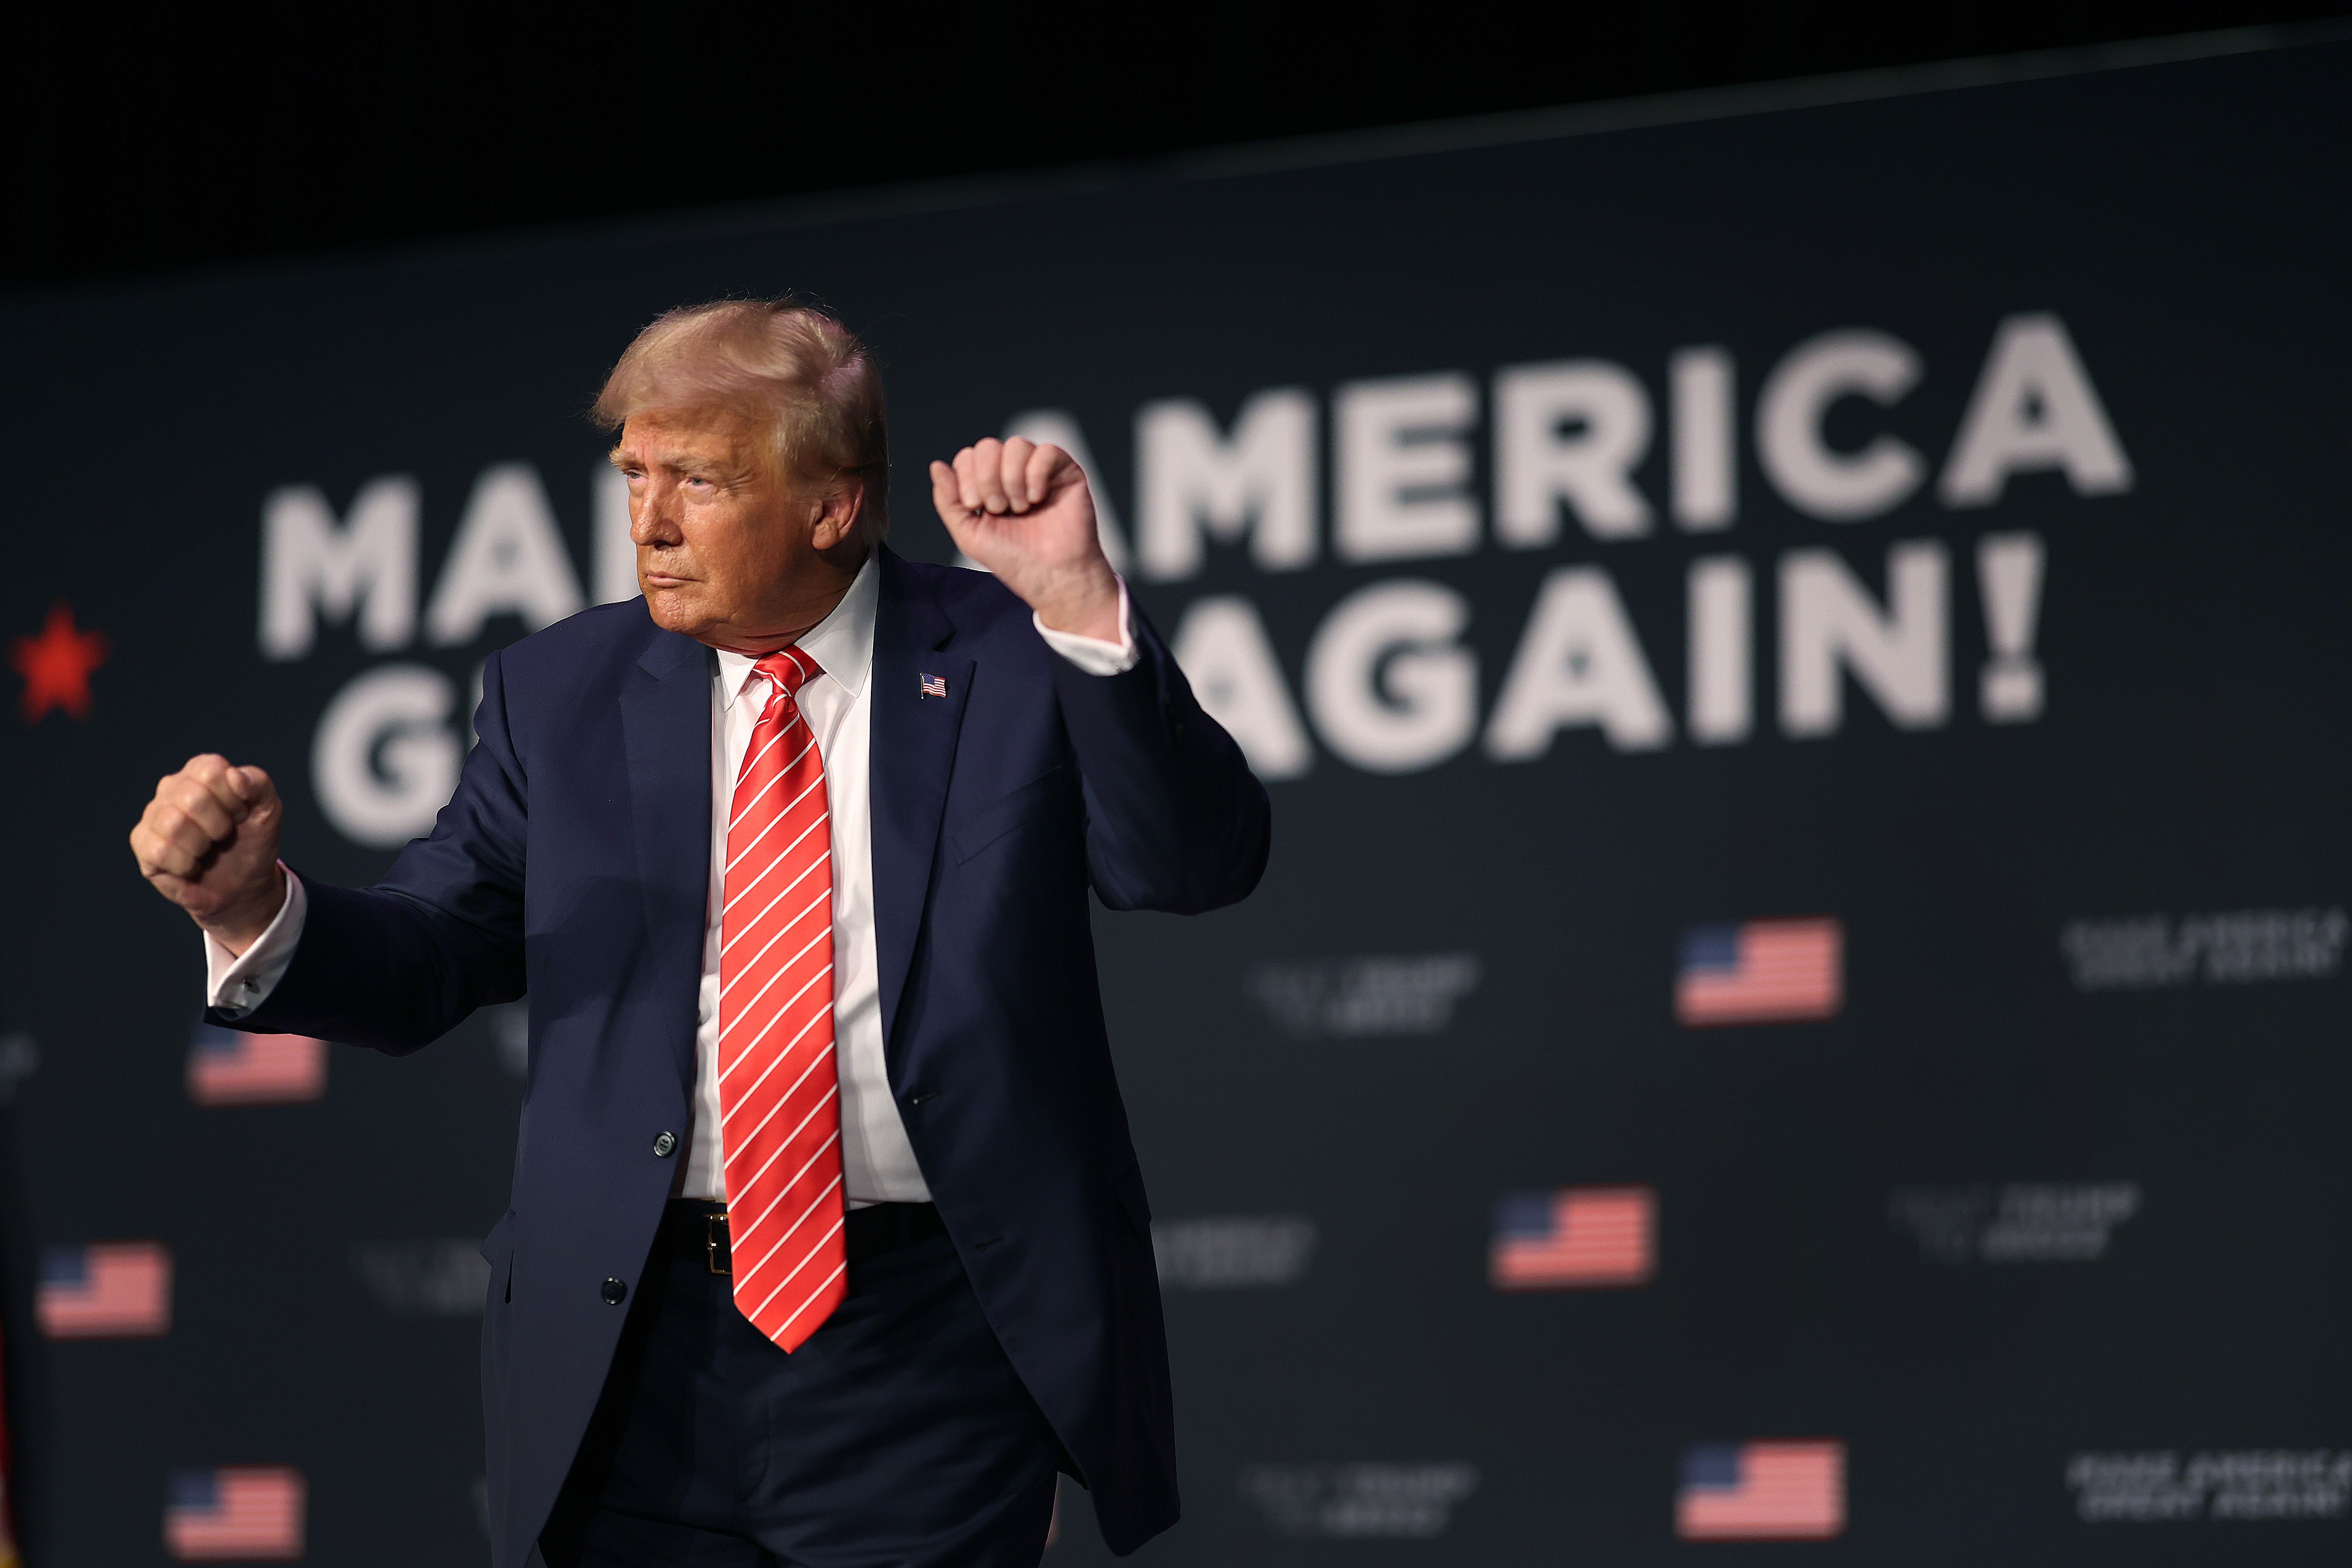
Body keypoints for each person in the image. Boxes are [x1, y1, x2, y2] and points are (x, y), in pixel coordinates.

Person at [127, 299, 1270, 1568]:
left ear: (832, 506)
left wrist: (1081, 604)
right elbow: (430, 948)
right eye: (635, 476)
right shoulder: (558, 692)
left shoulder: (1010, 648)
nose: (650, 523)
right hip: (631, 1347)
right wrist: (248, 907)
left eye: (699, 482)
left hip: (932, 1346)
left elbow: (1190, 865)